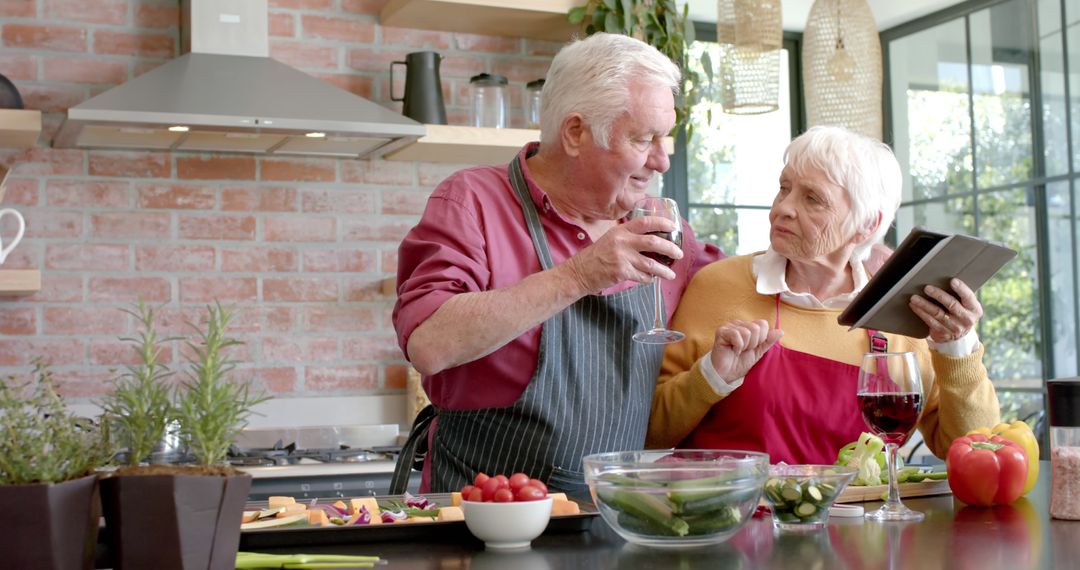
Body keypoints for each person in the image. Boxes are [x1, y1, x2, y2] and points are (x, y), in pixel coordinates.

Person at [389, 33, 723, 494]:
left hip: (615, 519)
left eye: (665, 137)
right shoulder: (472, 201)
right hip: (483, 516)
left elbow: (742, 286)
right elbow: (430, 343)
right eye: (644, 139)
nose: (663, 160)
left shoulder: (661, 225)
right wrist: (581, 274)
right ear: (574, 133)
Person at [646, 126, 1000, 464]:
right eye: (784, 188)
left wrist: (957, 345)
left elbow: (973, 448)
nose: (784, 207)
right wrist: (710, 375)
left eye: (812, 198)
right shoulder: (717, 286)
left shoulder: (903, 316)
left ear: (868, 225)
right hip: (734, 518)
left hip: (862, 525)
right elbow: (651, 433)